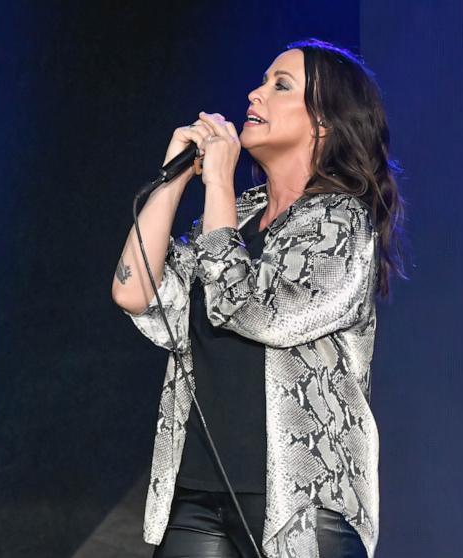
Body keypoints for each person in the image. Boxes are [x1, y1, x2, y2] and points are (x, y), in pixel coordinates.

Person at [111, 38, 405, 558]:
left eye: (280, 85)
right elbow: (135, 290)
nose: (255, 93)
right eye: (262, 80)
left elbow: (250, 308)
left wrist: (219, 180)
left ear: (324, 124)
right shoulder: (236, 218)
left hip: (304, 503)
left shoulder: (340, 222)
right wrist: (175, 178)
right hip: (199, 490)